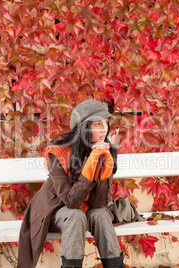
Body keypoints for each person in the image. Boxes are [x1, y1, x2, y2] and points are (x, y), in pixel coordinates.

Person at [17, 99, 126, 268]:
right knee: (75, 215)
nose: (104, 129)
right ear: (84, 128)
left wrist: (104, 166)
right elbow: (71, 202)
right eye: (97, 124)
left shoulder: (106, 150)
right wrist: (91, 162)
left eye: (105, 123)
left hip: (86, 210)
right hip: (55, 211)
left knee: (101, 214)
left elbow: (98, 203)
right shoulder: (57, 153)